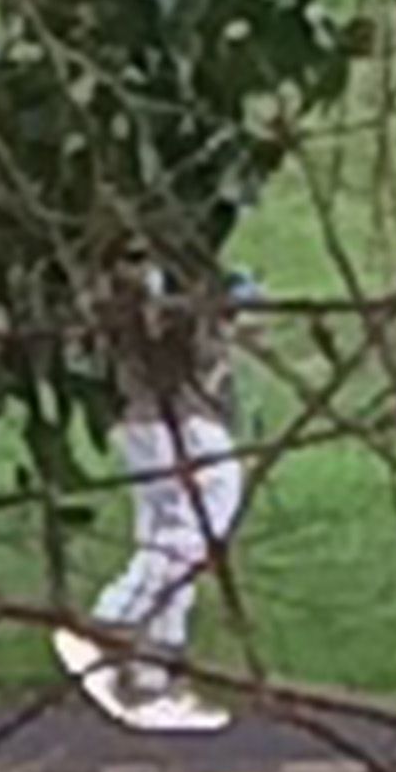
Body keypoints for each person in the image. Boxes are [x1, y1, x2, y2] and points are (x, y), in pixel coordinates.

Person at [56, 258, 253, 736]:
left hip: (140, 419)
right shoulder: (165, 274)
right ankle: (107, 624)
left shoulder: (107, 281)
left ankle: (150, 679)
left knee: (165, 539)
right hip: (186, 421)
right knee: (192, 538)